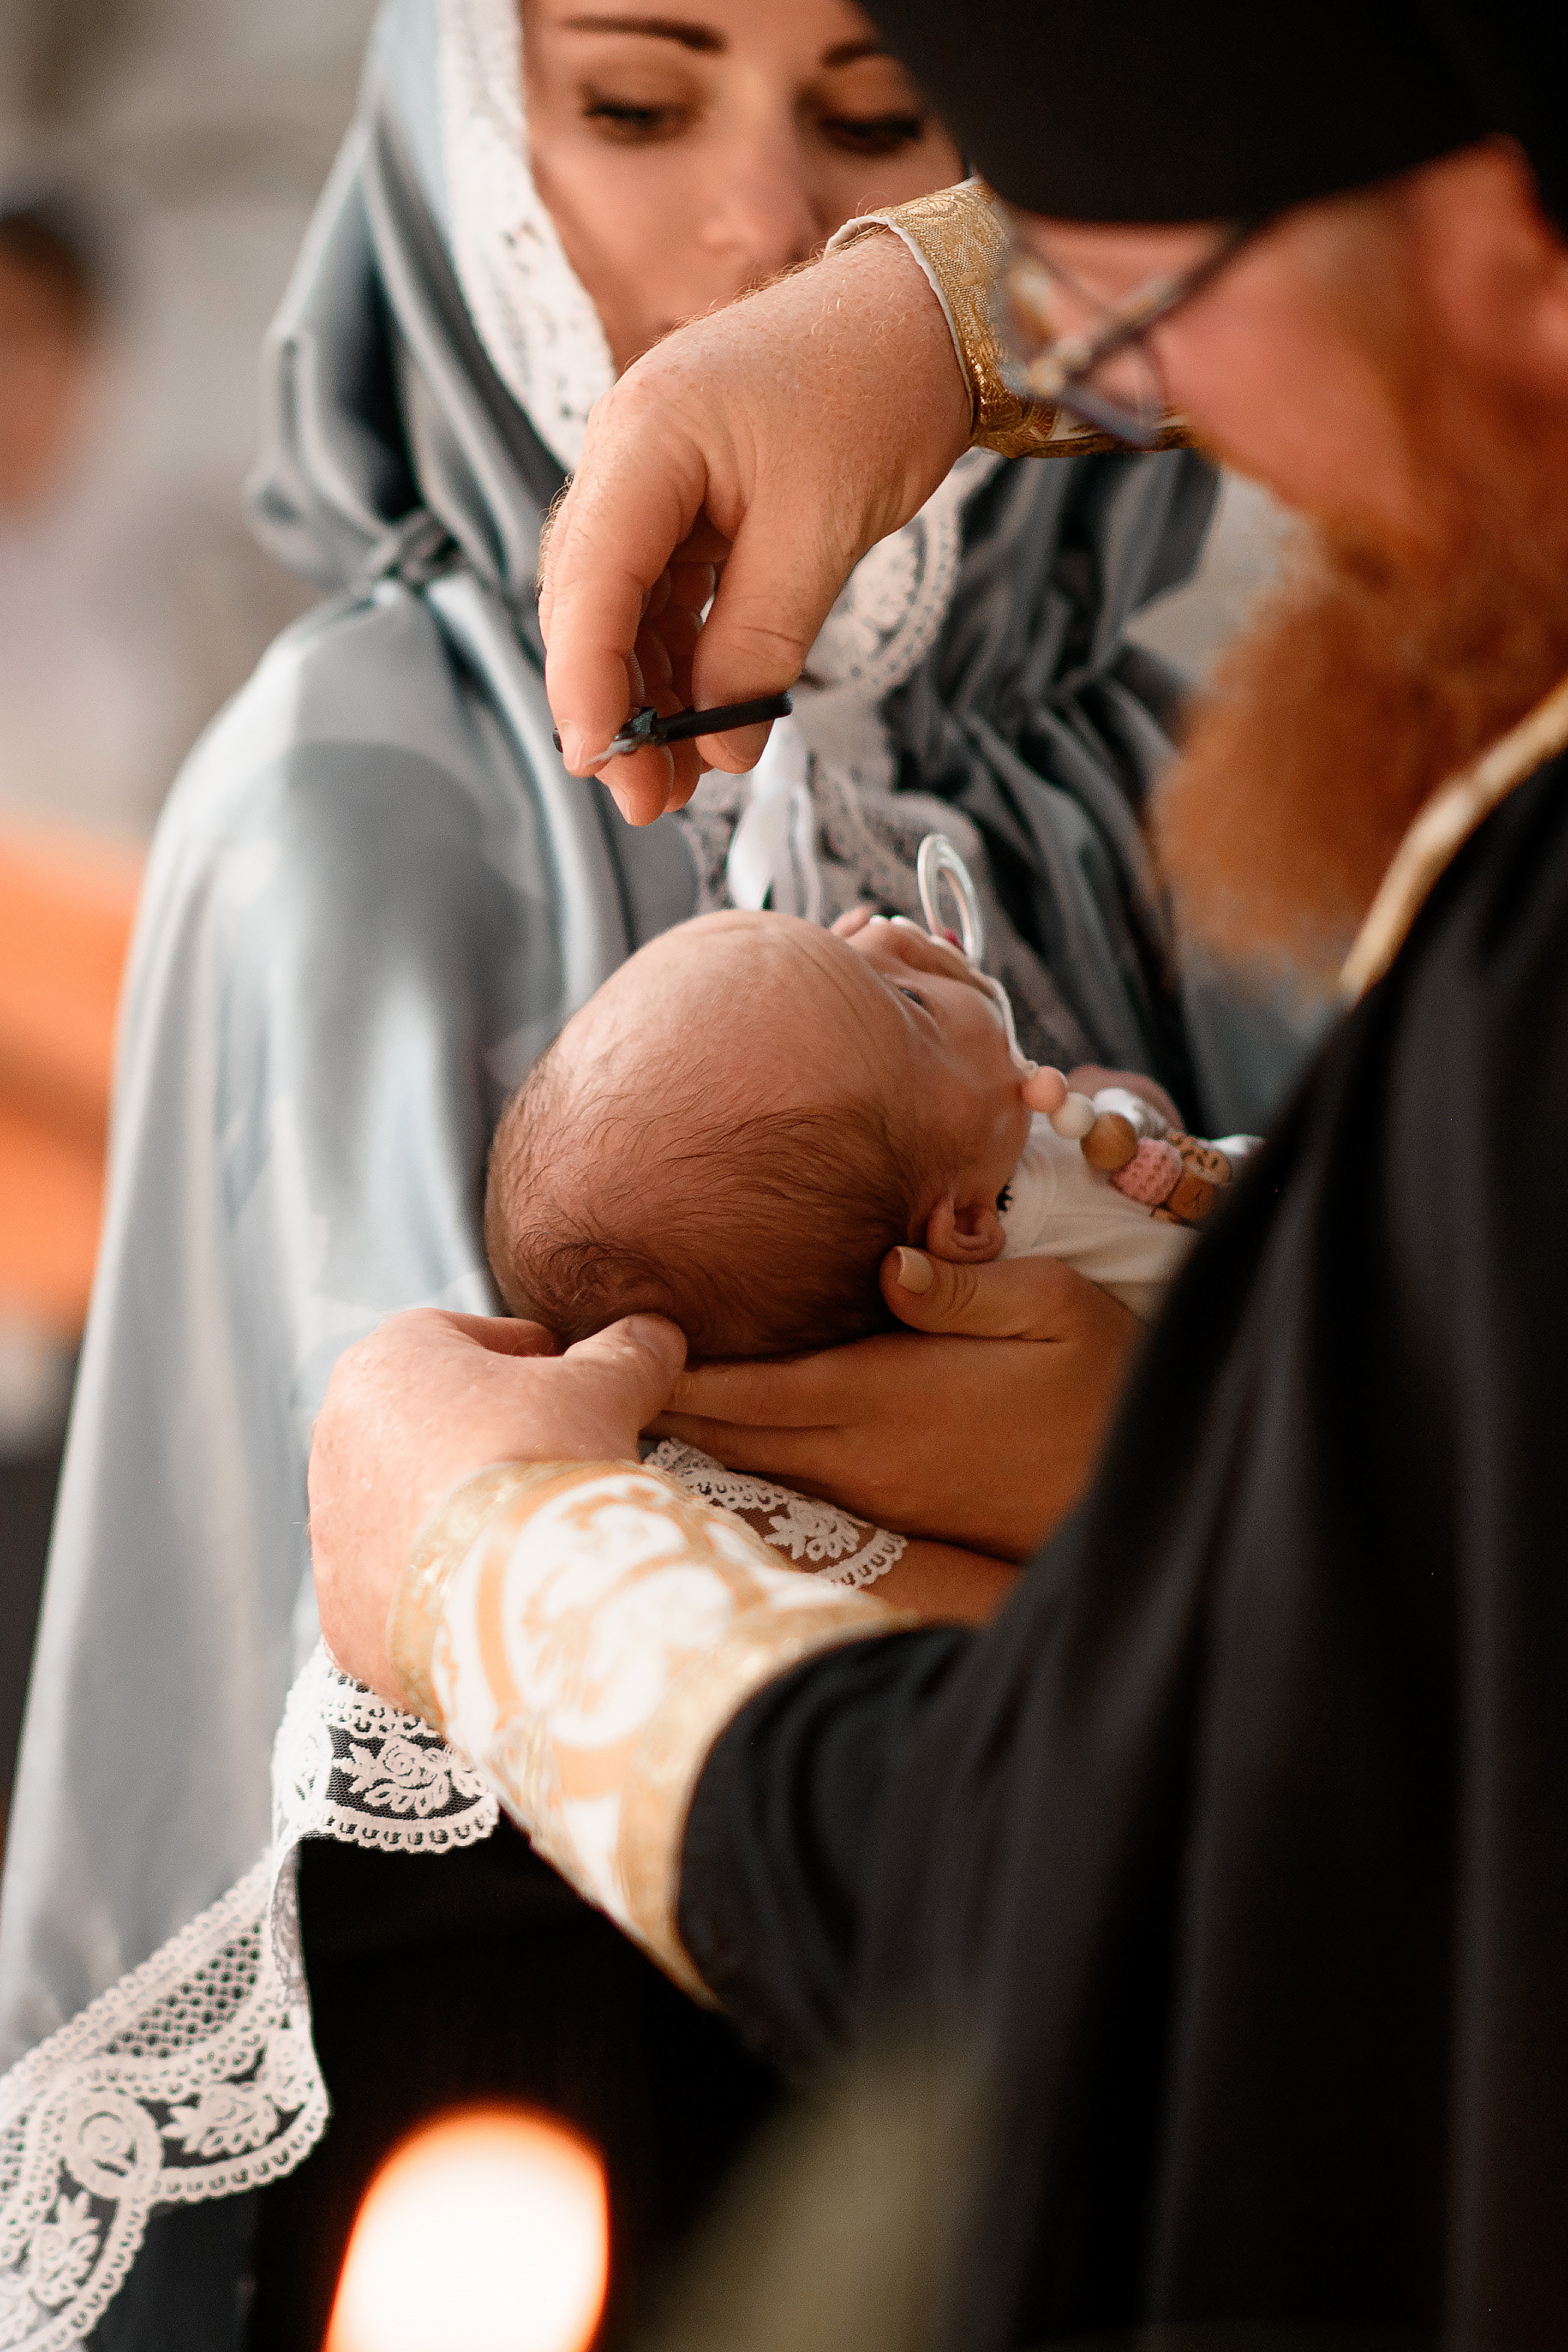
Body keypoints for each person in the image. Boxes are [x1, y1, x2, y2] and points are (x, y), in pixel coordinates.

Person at [0, 0, 1278, 2340]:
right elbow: (388, 1770)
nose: (764, 230)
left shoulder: (1199, 770)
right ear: (465, 146)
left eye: (887, 120)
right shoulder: (357, 802)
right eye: (626, 101)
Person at [308, 2, 1568, 2346]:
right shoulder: (341, 807)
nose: (1110, 406)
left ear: (1524, 267)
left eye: (1140, 336)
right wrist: (937, 318)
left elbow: (1194, 1896)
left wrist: (501, 1566)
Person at [488, 897, 1247, 1358]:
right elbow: (1154, 1148)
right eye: (909, 1002)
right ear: (965, 1223)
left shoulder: (980, 1177)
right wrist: (1114, 1098)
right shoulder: (1048, 1225)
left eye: (831, 933)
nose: (875, 928)